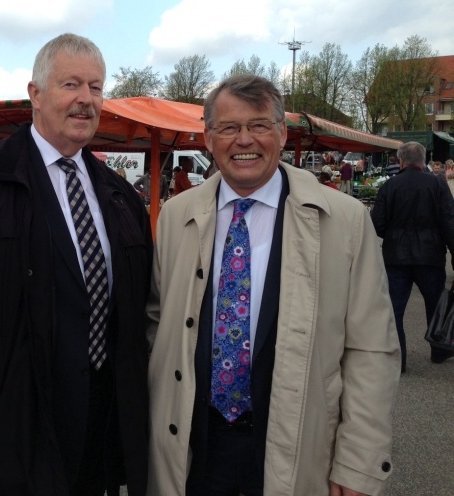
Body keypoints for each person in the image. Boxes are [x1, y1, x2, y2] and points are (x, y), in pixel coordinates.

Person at [0, 33, 153, 495]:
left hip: (100, 440)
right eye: (71, 85)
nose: (86, 99)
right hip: (14, 439)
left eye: (96, 88)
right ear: (35, 95)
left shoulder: (120, 196)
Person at [147, 74, 400, 495]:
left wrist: (359, 463)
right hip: (196, 447)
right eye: (228, 127)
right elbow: (157, 324)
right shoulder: (176, 217)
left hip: (296, 445)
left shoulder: (346, 220)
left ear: (281, 133)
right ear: (208, 138)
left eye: (259, 125)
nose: (244, 140)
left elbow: (371, 350)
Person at [371, 141, 454, 371]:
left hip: (397, 257)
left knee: (395, 310)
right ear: (424, 160)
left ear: (401, 161)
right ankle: (439, 349)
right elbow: (449, 221)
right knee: (436, 306)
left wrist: (393, 233)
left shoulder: (391, 186)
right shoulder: (437, 185)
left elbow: (376, 223)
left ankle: (400, 359)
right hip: (431, 255)